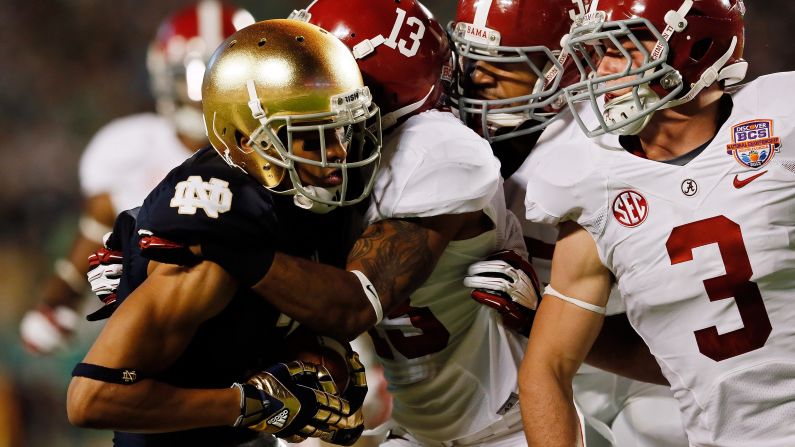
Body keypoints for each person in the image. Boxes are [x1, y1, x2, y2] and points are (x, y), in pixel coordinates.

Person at [66, 19, 382, 446]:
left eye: (340, 131)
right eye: (313, 139)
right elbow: (92, 399)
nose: (339, 155)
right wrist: (258, 406)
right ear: (250, 141)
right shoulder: (212, 241)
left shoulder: (293, 198)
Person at [243, 1, 536, 444]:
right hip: (415, 428)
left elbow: (350, 305)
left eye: (314, 72)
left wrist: (217, 244)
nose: (294, 89)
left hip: (506, 428)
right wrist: (152, 237)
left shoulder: (436, 151)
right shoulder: (334, 155)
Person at [519, 0, 795, 446]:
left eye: (620, 47)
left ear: (697, 46)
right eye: (596, 51)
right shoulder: (594, 185)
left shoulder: (783, 117)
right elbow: (546, 369)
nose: (599, 71)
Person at [451, 0, 688, 445]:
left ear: (565, 65)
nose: (477, 77)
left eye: (503, 61)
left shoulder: (609, 147)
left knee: (655, 430)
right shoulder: (445, 138)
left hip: (630, 372)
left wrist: (539, 318)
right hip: (505, 379)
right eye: (469, 56)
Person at [19, 0, 254, 355]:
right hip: (152, 325)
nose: (203, 96)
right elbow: (97, 227)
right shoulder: (130, 146)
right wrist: (58, 298)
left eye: (218, 79)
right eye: (193, 77)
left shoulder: (269, 152)